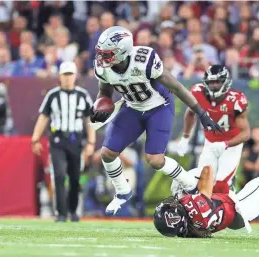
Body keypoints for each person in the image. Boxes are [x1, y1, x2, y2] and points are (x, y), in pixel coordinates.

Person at [90, 26, 222, 216]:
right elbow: (104, 92)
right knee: (107, 153)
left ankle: (190, 184)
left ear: (123, 51)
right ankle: (122, 191)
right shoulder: (104, 68)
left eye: (108, 54)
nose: (103, 58)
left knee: (155, 159)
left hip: (158, 107)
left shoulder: (144, 60)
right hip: (132, 107)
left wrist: (202, 113)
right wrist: (100, 105)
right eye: (102, 53)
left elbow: (176, 87)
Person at [31, 61, 96, 222]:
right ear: (60, 76)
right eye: (65, 75)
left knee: (75, 177)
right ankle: (61, 213)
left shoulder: (83, 95)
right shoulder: (52, 95)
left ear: (75, 76)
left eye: (70, 75)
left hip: (75, 140)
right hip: (58, 140)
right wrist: (35, 139)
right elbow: (43, 117)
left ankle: (73, 211)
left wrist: (91, 143)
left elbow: (90, 120)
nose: (67, 78)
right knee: (59, 175)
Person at [176, 65, 250, 193]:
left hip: (231, 145)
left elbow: (246, 133)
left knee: (221, 185)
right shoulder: (198, 92)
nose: (214, 85)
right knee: (203, 183)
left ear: (226, 83)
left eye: (218, 82)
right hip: (210, 143)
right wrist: (185, 138)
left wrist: (225, 144)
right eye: (211, 82)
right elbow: (190, 113)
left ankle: (232, 206)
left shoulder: (235, 99)